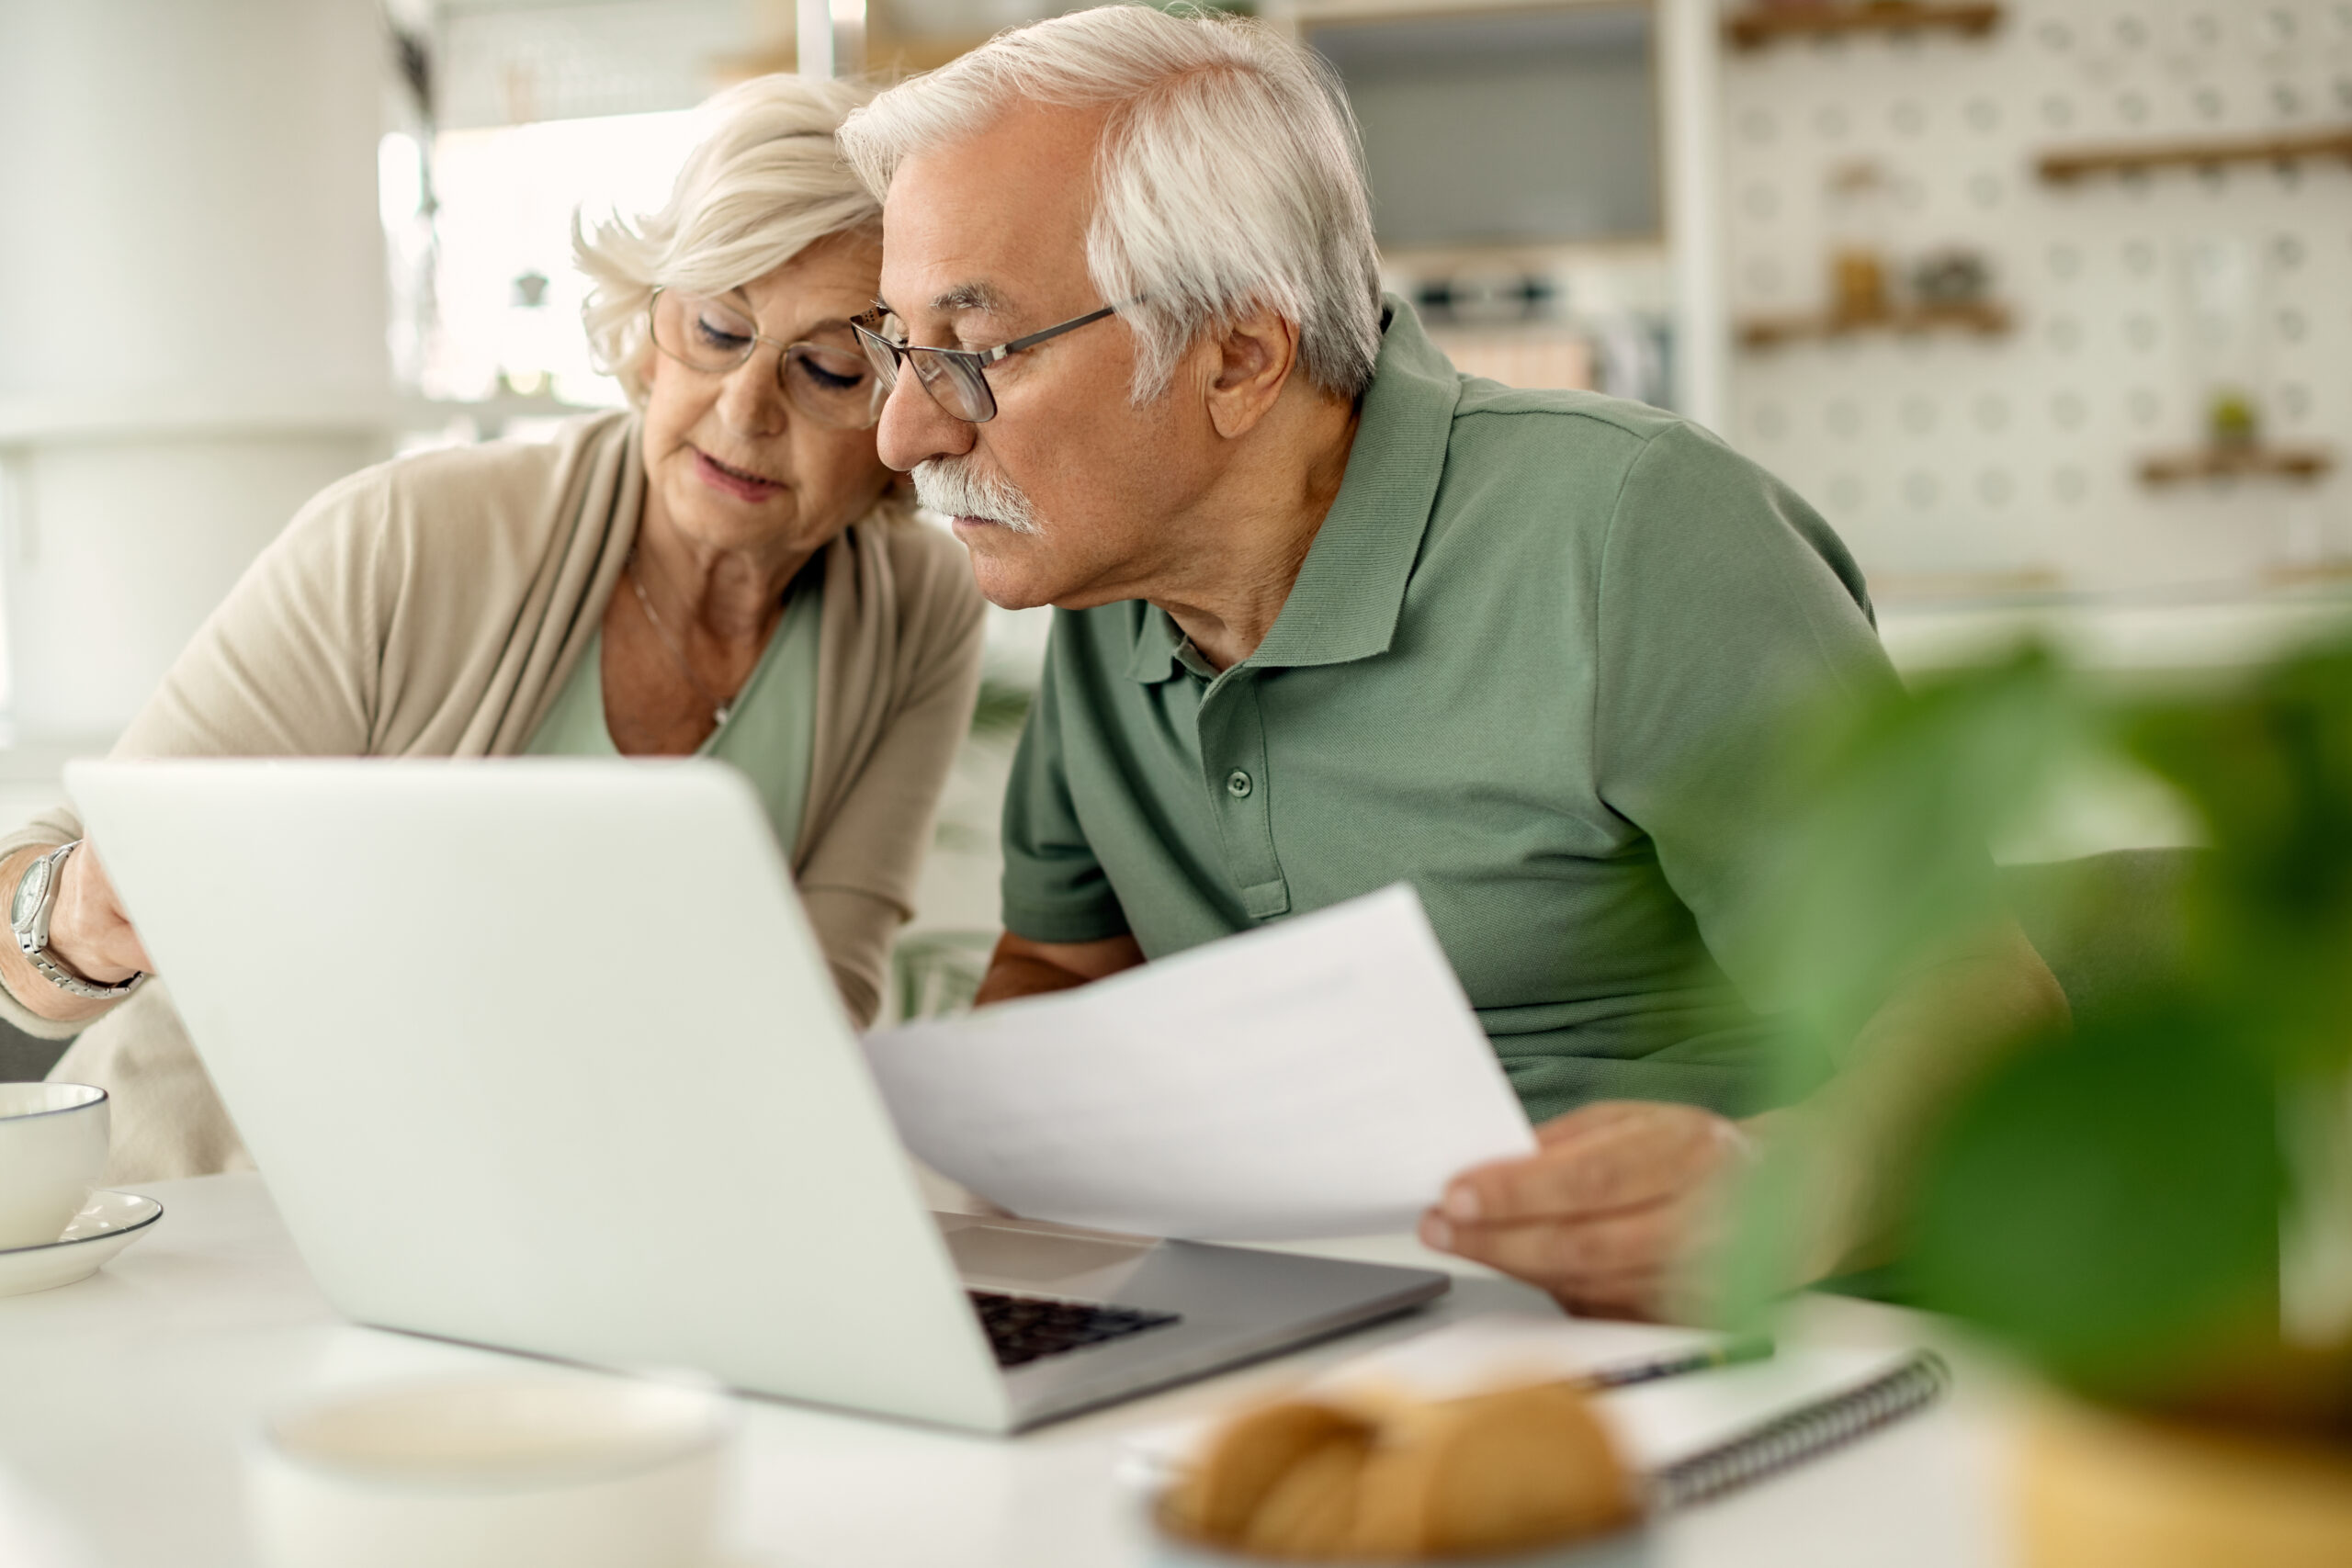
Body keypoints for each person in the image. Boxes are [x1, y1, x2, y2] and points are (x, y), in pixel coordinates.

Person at [837, 7, 2066, 1318]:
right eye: (899, 345)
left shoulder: (1636, 533)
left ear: (1238, 357)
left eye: (972, 352)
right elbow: (1063, 968)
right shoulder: (1103, 581)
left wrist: (1771, 1190)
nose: (903, 433)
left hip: (1741, 1333)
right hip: (1323, 1316)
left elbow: (1978, 1009)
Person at [0, 74, 985, 1183]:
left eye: (830, 368)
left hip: (572, 1214)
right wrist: (74, 921)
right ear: (648, 334)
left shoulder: (916, 611)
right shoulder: (406, 536)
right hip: (207, 1202)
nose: (744, 407)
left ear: (912, 400)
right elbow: (41, 923)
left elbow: (817, 1000)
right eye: (718, 327)